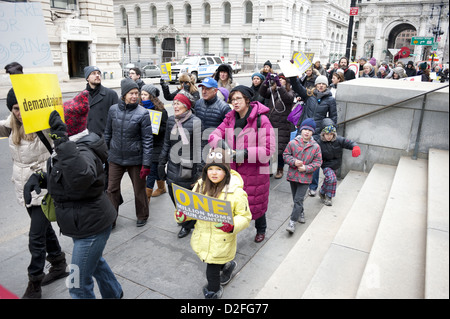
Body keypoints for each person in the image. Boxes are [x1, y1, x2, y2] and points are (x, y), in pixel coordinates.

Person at [24, 91, 123, 299]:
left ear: (66, 128)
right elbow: (65, 176)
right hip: (84, 224)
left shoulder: (83, 149)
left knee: (77, 285)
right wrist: (41, 178)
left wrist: (62, 142)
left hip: (91, 227)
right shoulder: (69, 149)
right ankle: (114, 294)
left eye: (55, 128)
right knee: (95, 264)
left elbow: (81, 177)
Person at [1, 89, 67, 299]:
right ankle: (58, 263)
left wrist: (58, 127)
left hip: (42, 184)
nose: (19, 113)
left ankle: (34, 283)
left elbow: (62, 140)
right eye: (15, 108)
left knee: (36, 237)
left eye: (22, 107)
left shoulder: (42, 123)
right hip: (23, 184)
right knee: (44, 228)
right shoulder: (11, 124)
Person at [175, 147, 251, 299]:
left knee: (212, 269)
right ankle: (228, 266)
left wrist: (231, 226)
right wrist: (182, 215)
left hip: (222, 238)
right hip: (202, 236)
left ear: (227, 171)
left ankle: (213, 291)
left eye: (219, 169)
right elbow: (189, 207)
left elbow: (245, 216)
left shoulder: (236, 192)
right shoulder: (200, 185)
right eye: (211, 169)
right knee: (215, 260)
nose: (214, 173)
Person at [208, 85, 276, 243]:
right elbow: (214, 134)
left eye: (238, 98)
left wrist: (245, 153)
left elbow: (269, 149)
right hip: (233, 172)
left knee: (256, 203)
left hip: (255, 172)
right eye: (232, 99)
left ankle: (261, 229)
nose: (235, 102)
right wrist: (221, 143)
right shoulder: (230, 117)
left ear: (247, 99)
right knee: (234, 204)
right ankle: (232, 231)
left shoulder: (261, 119)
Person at [104, 78, 153, 227]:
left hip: (135, 159)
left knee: (139, 190)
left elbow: (147, 140)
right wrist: (106, 154)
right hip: (115, 158)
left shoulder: (143, 113)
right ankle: (111, 219)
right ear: (124, 94)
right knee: (111, 189)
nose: (134, 96)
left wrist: (146, 163)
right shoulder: (113, 110)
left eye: (136, 93)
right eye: (131, 93)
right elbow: (107, 133)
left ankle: (142, 215)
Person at [158, 91, 204, 238]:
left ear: (186, 106)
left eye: (179, 103)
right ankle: (185, 217)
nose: (175, 106)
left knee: (186, 199)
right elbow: (166, 143)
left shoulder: (196, 122)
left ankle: (187, 225)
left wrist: (199, 172)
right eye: (174, 103)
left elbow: (200, 148)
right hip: (172, 165)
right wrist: (161, 163)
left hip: (188, 167)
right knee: (173, 196)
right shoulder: (171, 121)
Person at [288, 73, 337, 197]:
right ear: (315, 85)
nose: (321, 86)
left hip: (317, 133)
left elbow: (333, 117)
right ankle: (296, 181)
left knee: (313, 160)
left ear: (326, 85)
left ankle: (313, 186)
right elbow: (297, 86)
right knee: (296, 156)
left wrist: (330, 131)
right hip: (303, 129)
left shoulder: (330, 99)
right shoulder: (309, 94)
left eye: (323, 84)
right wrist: (293, 75)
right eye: (319, 83)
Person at [283, 118, 322, 233]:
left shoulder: (315, 147)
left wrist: (306, 168)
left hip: (305, 178)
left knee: (298, 199)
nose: (306, 132)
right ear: (301, 130)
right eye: (304, 129)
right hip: (293, 176)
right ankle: (301, 212)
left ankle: (292, 222)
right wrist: (293, 161)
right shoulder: (293, 143)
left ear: (313, 132)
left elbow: (318, 162)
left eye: (309, 130)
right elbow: (286, 155)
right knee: (296, 199)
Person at [315, 118, 361, 206]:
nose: (329, 136)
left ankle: (322, 192)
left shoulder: (338, 140)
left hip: (336, 164)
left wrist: (355, 147)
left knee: (329, 180)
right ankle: (329, 197)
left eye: (331, 134)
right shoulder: (319, 142)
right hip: (326, 164)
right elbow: (313, 151)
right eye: (327, 134)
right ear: (323, 134)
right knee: (332, 179)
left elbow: (349, 142)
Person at [259, 73, 295, 179]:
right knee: (270, 147)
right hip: (271, 123)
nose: (280, 81)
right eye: (278, 79)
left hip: (282, 124)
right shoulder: (273, 91)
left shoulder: (290, 92)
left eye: (282, 80)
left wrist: (280, 87)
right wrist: (266, 82)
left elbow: (287, 98)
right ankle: (271, 167)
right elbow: (262, 93)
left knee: (279, 149)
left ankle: (280, 168)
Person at [140, 84, 168, 200]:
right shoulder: (139, 108)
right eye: (141, 94)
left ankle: (146, 198)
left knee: (151, 170)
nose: (142, 97)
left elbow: (165, 128)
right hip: (145, 144)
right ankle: (161, 188)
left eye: (145, 94)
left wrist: (155, 129)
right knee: (155, 168)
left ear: (151, 96)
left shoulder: (161, 110)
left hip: (157, 144)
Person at [83, 66, 119, 137]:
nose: (97, 75)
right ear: (87, 78)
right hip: (88, 139)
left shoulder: (111, 94)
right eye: (93, 73)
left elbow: (117, 119)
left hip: (105, 138)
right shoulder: (81, 96)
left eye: (98, 73)